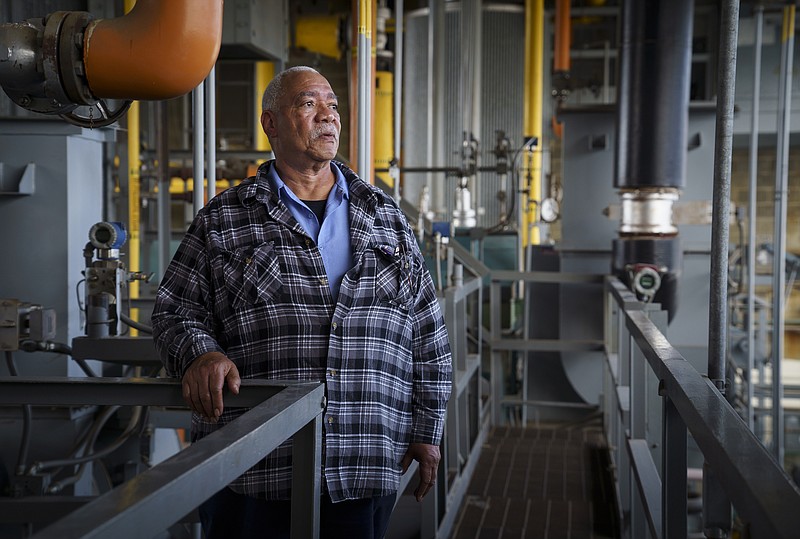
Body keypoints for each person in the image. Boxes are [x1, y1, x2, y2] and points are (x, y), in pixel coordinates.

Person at [151, 66, 452, 539]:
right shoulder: (225, 218)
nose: (327, 116)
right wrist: (200, 353)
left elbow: (428, 331)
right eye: (308, 104)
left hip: (363, 460)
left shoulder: (384, 215)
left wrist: (428, 428)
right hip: (255, 467)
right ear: (270, 122)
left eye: (332, 105)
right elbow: (174, 311)